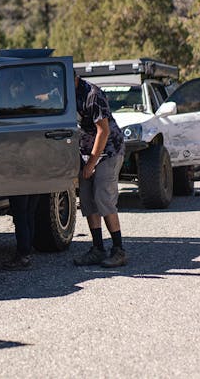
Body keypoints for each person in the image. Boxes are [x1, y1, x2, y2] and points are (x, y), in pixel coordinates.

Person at [73, 71, 128, 268]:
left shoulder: (92, 95)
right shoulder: (65, 93)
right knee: (87, 201)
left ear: (73, 78)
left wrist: (91, 164)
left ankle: (118, 249)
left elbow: (103, 131)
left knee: (103, 197)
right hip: (86, 151)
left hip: (108, 150)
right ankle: (97, 249)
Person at [3, 194, 39, 270]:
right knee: (29, 215)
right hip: (35, 185)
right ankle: (26, 254)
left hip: (19, 187)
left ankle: (22, 256)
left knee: (20, 216)